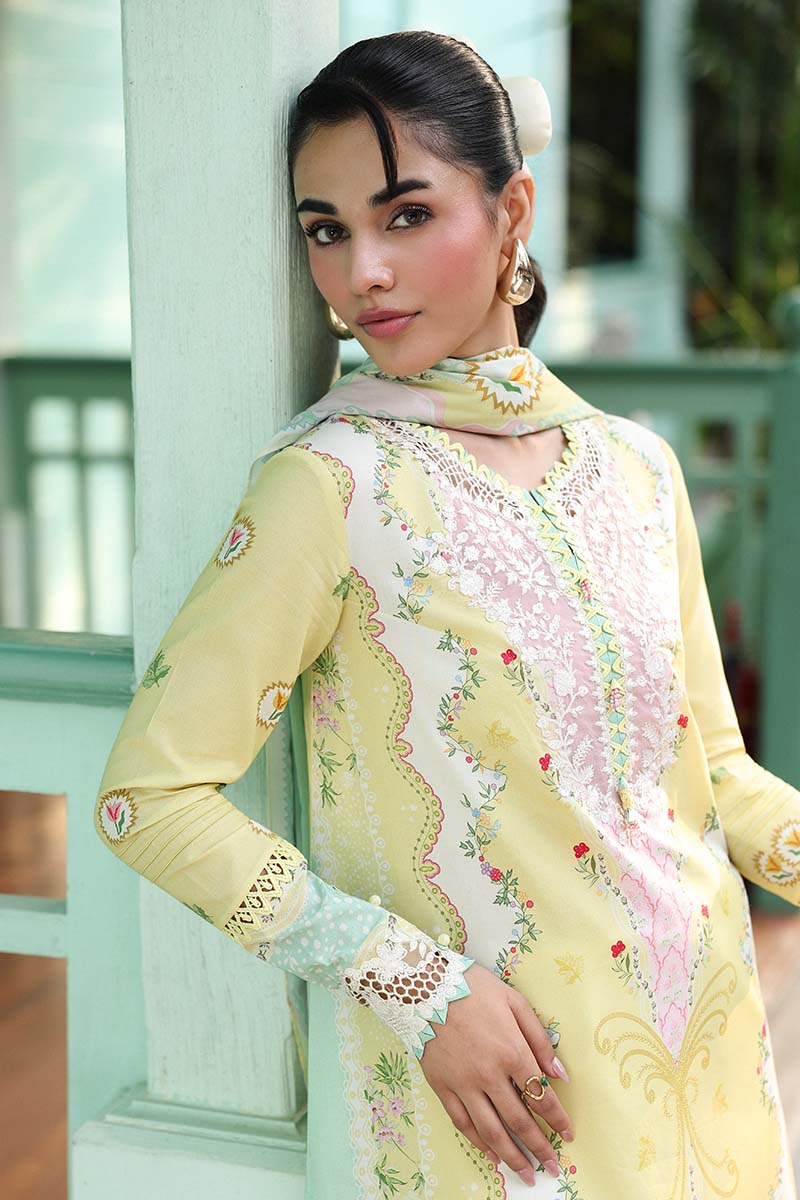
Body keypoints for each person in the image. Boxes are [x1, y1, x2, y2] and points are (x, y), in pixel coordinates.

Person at [94, 29, 800, 1199]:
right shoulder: (328, 484)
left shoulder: (634, 469)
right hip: (502, 1112)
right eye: (326, 230)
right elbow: (147, 801)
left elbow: (711, 775)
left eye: (406, 215)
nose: (361, 271)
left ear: (510, 211)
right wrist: (417, 984)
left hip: (709, 1068)